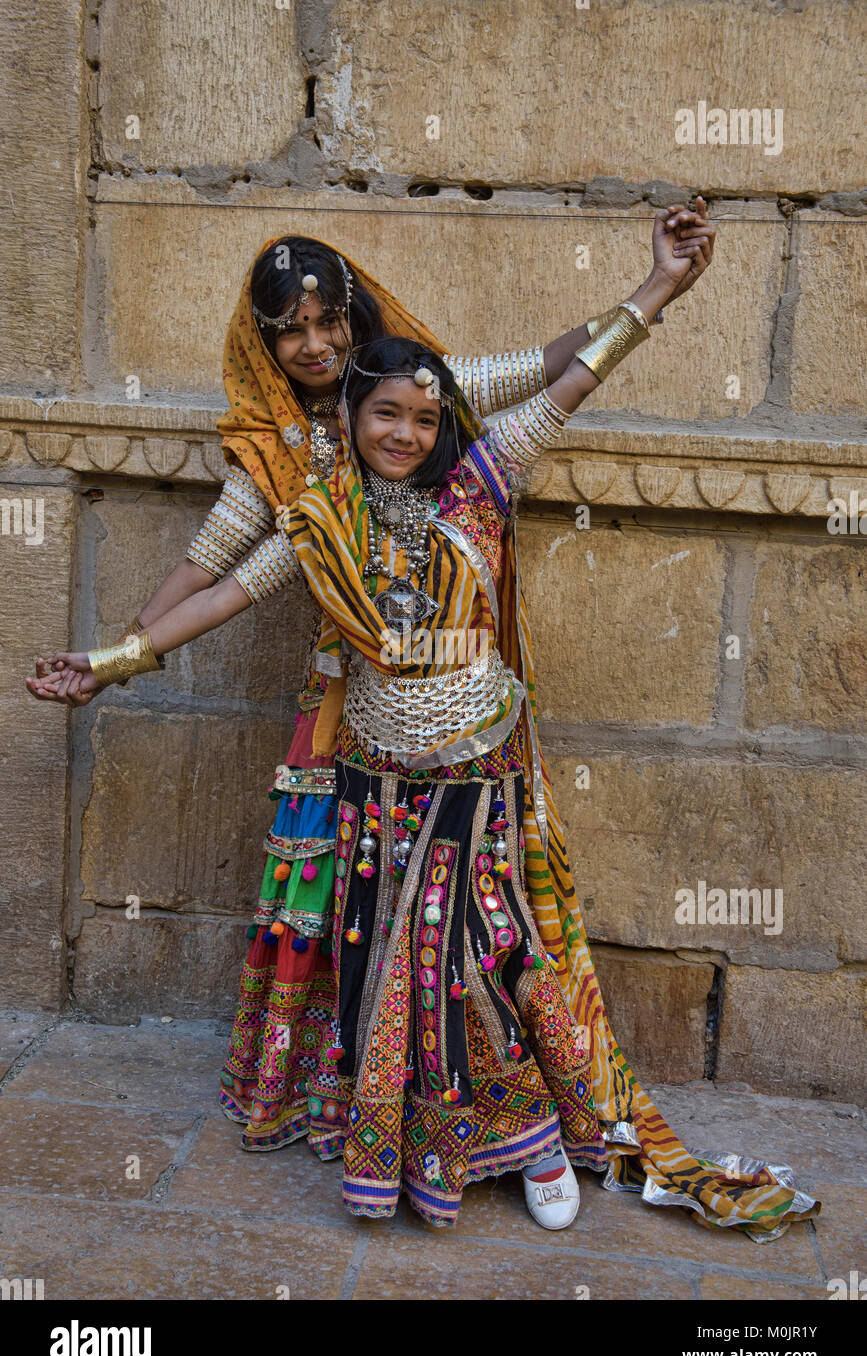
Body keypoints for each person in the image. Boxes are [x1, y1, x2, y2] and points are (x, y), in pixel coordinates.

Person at [29, 230, 820, 1239]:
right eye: (379, 411)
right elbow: (224, 583)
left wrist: (658, 286)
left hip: (473, 774)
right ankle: (409, 1142)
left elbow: (565, 377)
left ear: (441, 410)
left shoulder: (483, 476)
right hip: (363, 766)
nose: (399, 427)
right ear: (347, 414)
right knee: (371, 958)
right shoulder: (315, 512)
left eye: (417, 412)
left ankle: (533, 1138)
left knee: (481, 957)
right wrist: (107, 662)